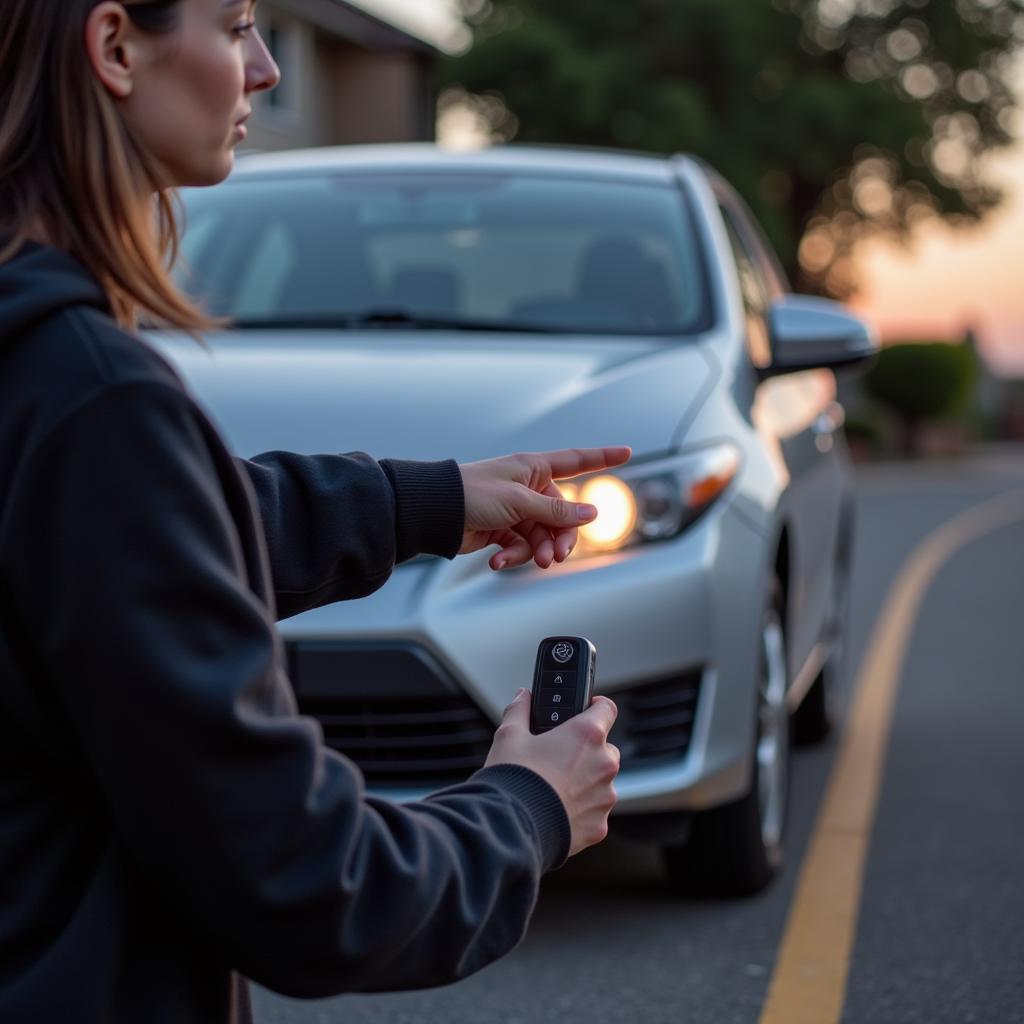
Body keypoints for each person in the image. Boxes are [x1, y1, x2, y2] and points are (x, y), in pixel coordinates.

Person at [0, 2, 628, 1022]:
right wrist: (527, 806)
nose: (265, 70)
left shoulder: (44, 379)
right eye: (237, 23)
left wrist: (426, 501)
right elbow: (302, 880)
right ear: (114, 46)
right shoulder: (93, 400)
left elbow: (144, 528)